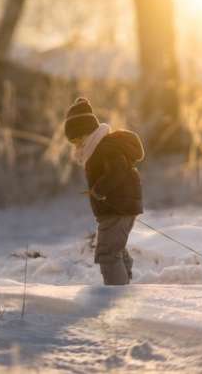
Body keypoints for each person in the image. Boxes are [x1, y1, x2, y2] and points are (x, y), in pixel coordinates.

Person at [64, 97, 144, 285]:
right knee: (115, 249)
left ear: (85, 132)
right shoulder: (98, 148)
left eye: (76, 139)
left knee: (108, 254)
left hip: (118, 208)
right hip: (118, 208)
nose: (76, 145)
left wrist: (99, 189)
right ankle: (124, 285)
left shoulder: (105, 147)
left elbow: (119, 170)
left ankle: (116, 295)